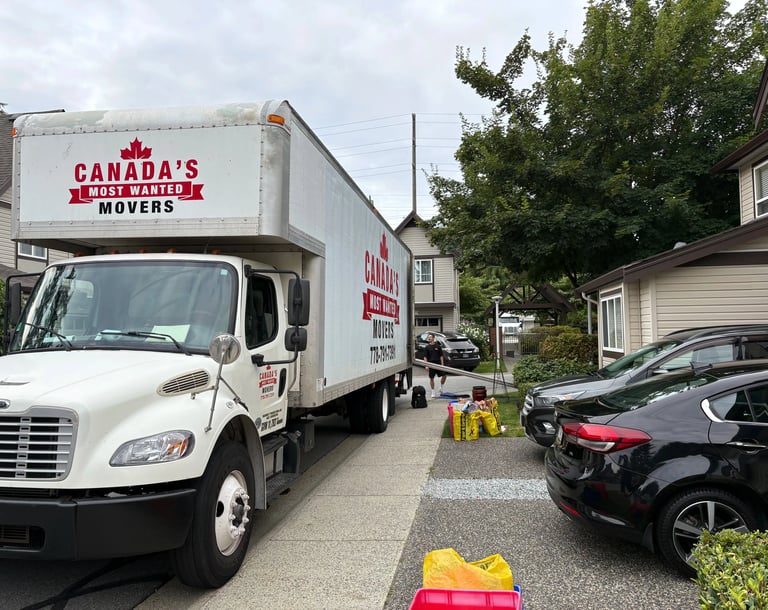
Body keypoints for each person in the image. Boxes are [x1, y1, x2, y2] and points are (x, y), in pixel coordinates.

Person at [423, 333, 447, 398]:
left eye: (430, 337)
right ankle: (433, 392)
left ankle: (441, 388)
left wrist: (442, 365)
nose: (429, 338)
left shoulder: (438, 346)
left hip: (438, 364)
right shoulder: (427, 347)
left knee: (444, 376)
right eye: (428, 337)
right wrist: (426, 365)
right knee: (431, 378)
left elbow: (441, 356)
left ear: (433, 338)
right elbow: (425, 357)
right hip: (431, 364)